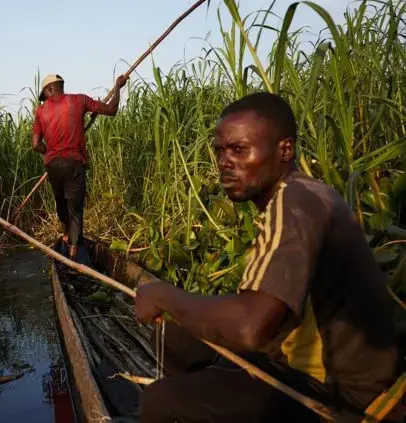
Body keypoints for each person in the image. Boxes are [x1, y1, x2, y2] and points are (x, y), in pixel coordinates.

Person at [134, 92, 401, 422]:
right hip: (301, 362)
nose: (224, 162)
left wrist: (163, 294)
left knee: (160, 402)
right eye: (220, 151)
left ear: (284, 150)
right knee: (173, 339)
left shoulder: (295, 205)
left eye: (239, 149)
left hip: (338, 397)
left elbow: (249, 328)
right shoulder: (303, 194)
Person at [31, 73, 128, 261]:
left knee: (61, 204)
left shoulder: (40, 111)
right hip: (73, 162)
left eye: (45, 94)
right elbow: (111, 109)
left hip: (53, 165)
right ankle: (73, 255)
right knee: (75, 209)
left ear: (50, 89)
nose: (45, 99)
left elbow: (35, 145)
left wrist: (50, 151)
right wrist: (118, 87)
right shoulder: (79, 100)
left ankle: (66, 237)